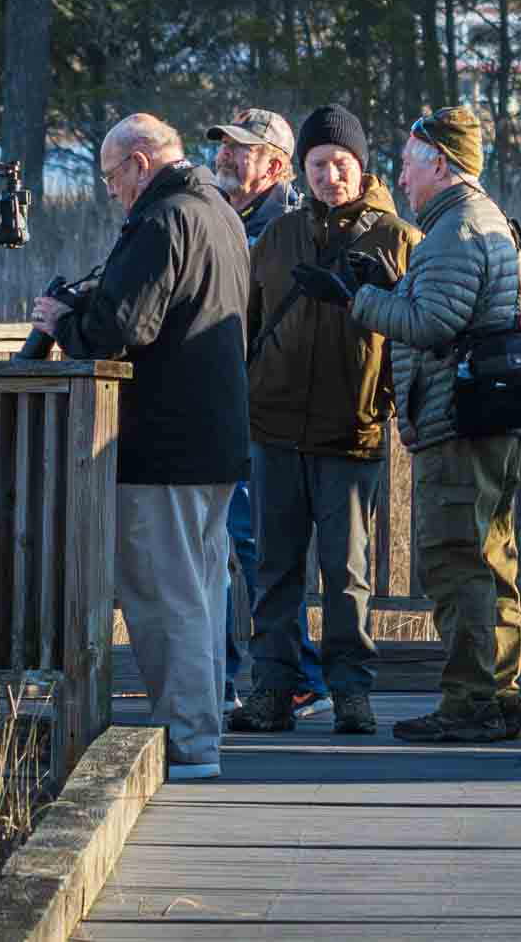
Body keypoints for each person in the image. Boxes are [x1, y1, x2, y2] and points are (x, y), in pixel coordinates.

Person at [302, 105, 521, 744]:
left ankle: (470, 704)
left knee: (457, 560)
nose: (401, 178)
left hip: (459, 423)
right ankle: (499, 696)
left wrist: (358, 301)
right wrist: (397, 287)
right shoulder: (482, 222)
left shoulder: (456, 230)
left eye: (408, 164)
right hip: (488, 418)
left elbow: (433, 327)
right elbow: (450, 309)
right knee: (490, 557)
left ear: (441, 162)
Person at [33, 114, 252, 781]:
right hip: (214, 440)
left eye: (111, 180)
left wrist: (62, 321)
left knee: (166, 595)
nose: (113, 194)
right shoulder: (220, 214)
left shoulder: (163, 220)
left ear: (137, 161)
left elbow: (124, 326)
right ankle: (200, 726)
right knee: (202, 590)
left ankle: (188, 744)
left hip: (165, 443)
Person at [231, 105, 419, 738]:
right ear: (302, 168)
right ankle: (272, 691)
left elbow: (409, 342)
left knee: (347, 573)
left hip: (350, 429)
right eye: (318, 164)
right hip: (274, 427)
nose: (330, 174)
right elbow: (250, 325)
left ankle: (351, 693)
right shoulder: (278, 237)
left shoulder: (398, 239)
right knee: (274, 570)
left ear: (362, 168)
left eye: (342, 163)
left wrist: (391, 408)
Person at [202, 107, 326, 721]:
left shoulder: (290, 228)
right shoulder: (222, 217)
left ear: (276, 165)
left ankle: (298, 678)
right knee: (221, 545)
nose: (225, 156)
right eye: (223, 146)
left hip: (264, 410)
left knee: (258, 548)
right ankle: (223, 677)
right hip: (222, 405)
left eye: (240, 150)